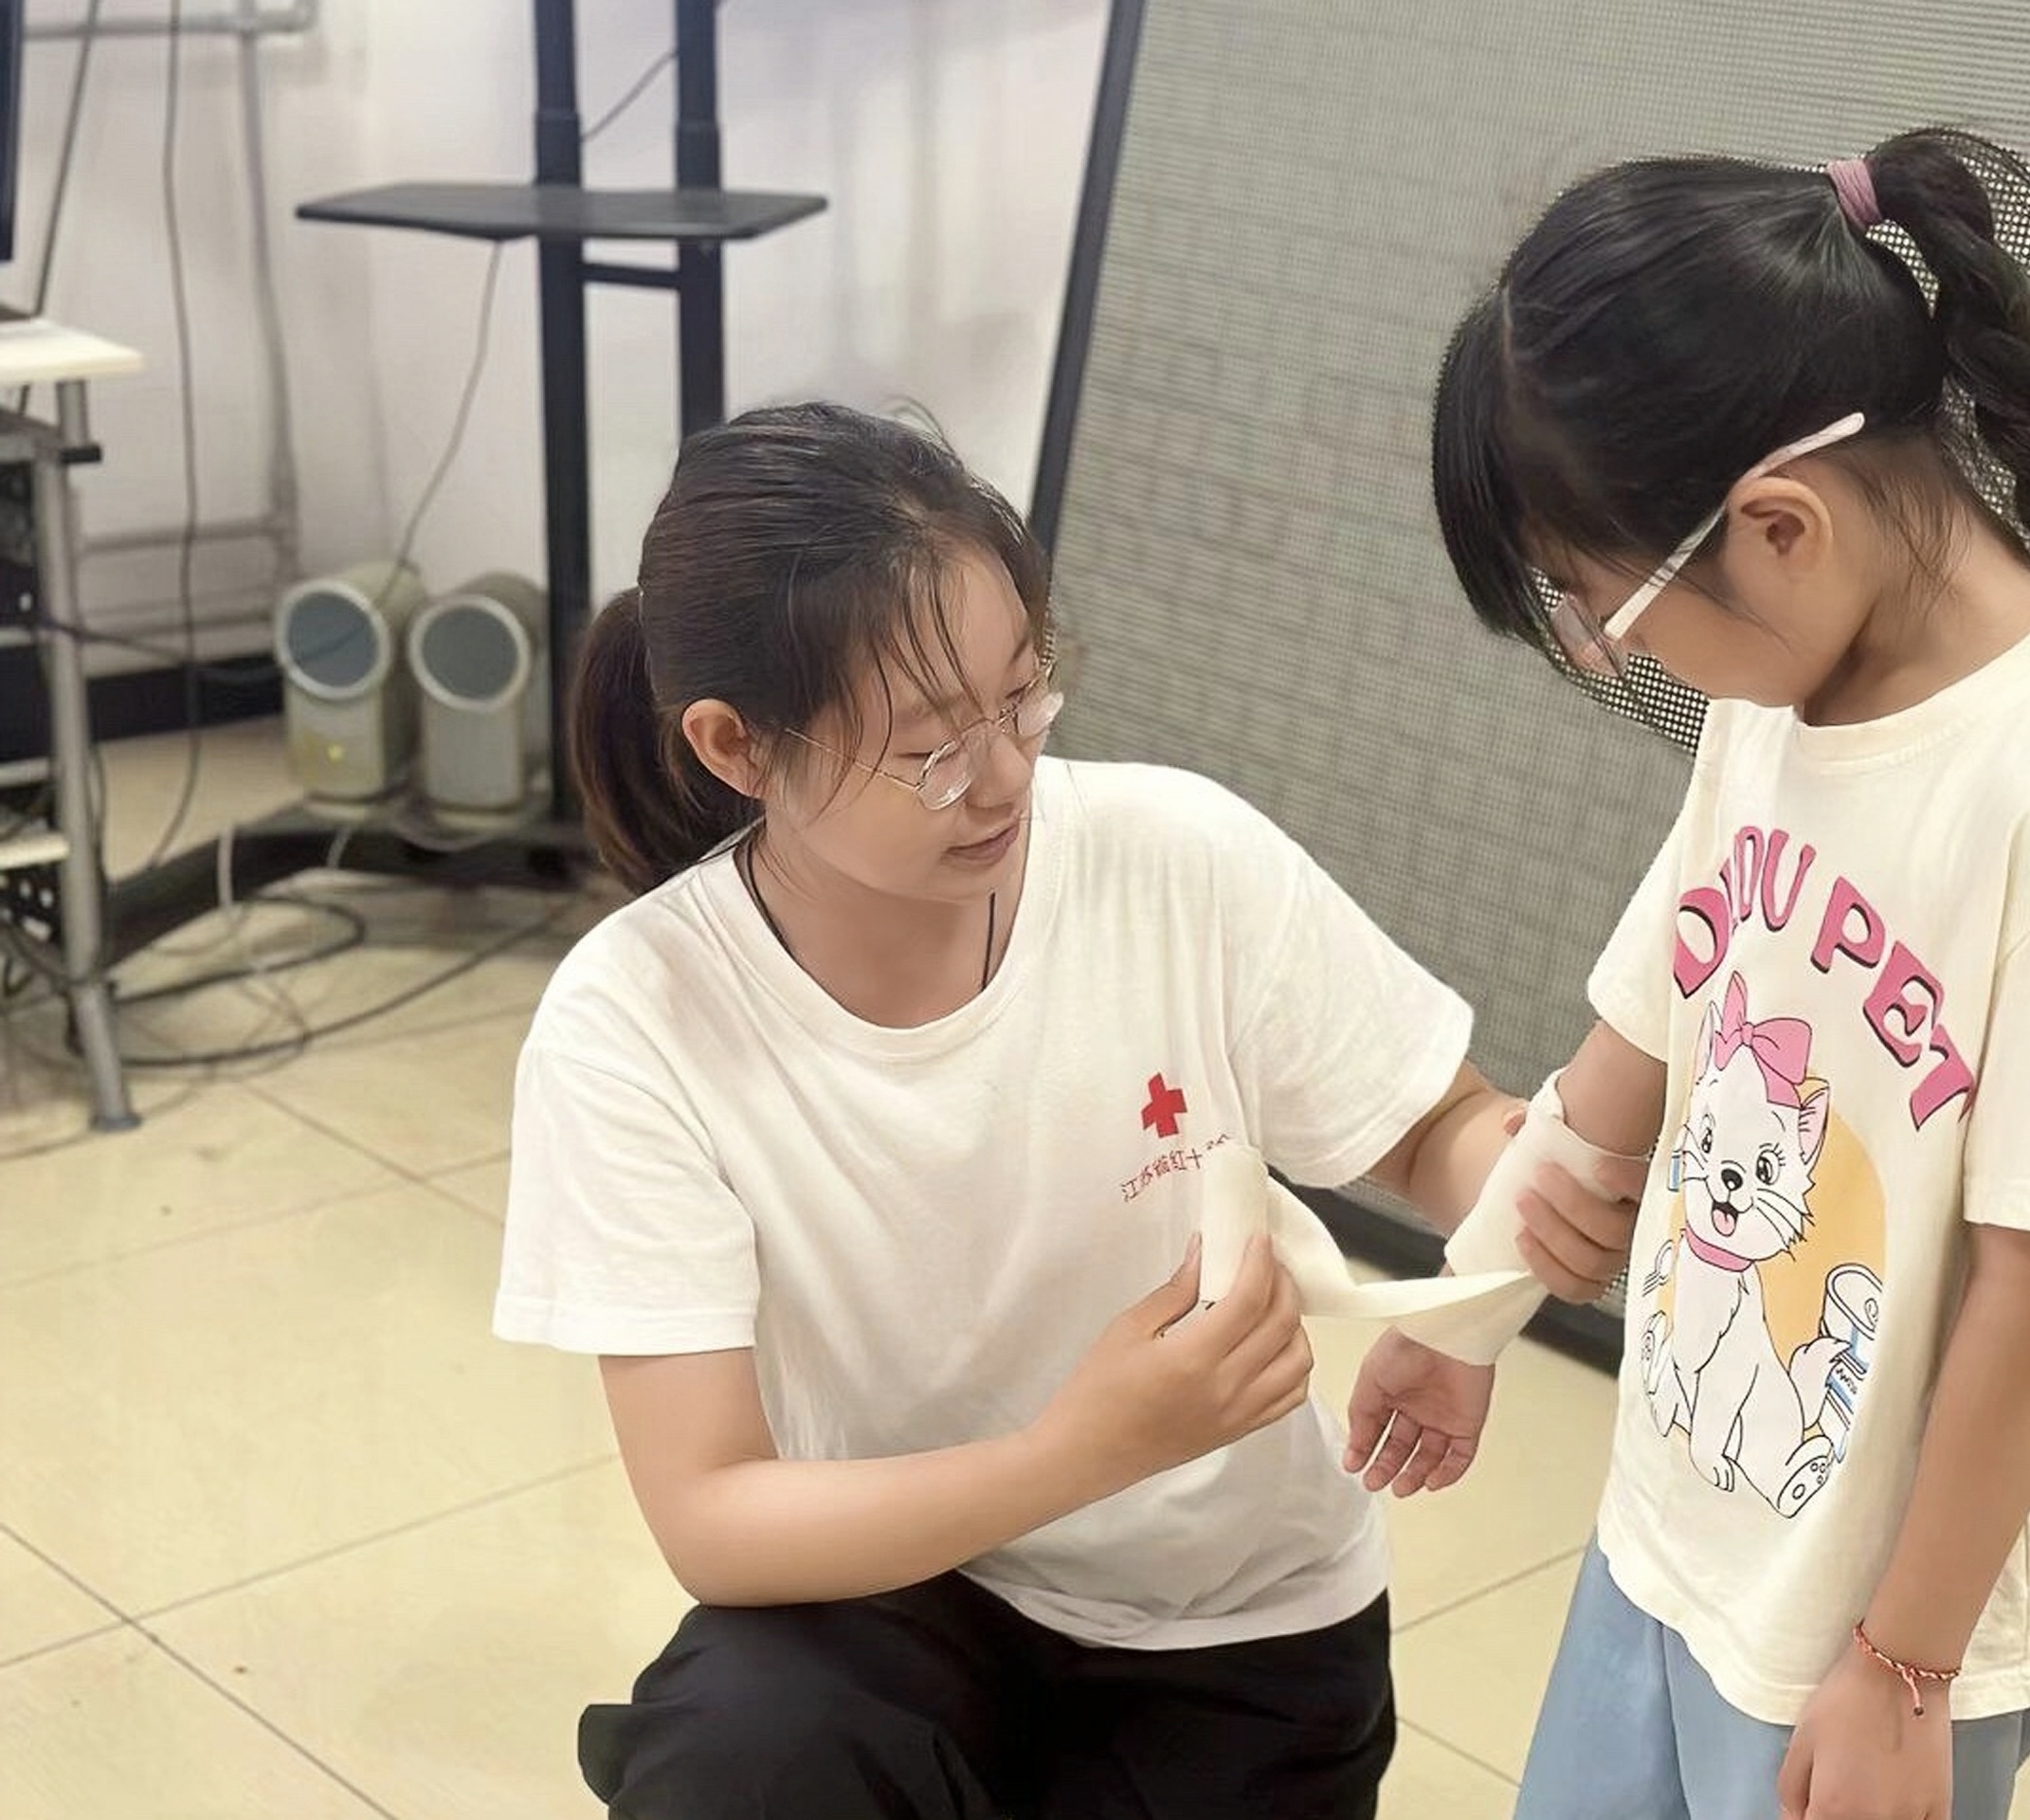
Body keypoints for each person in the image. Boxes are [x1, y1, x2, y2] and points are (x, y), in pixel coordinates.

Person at [492, 402, 1638, 1819]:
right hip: (897, 1587)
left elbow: (1432, 1129)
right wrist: (1079, 1454)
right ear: (737, 747)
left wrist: (1516, 1217)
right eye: (929, 750)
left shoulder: (1173, 857)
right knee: (742, 1750)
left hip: (1233, 1625)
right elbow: (713, 1515)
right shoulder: (635, 1019)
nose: (1005, 776)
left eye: (1024, 696)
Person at [1349, 131, 2030, 1820]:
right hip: (1699, 1494)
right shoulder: (1776, 696)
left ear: (1778, 525)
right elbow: (1645, 1028)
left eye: (1595, 604)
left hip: (1894, 1596)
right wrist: (1472, 1300)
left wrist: (1904, 1670)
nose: (1601, 649)